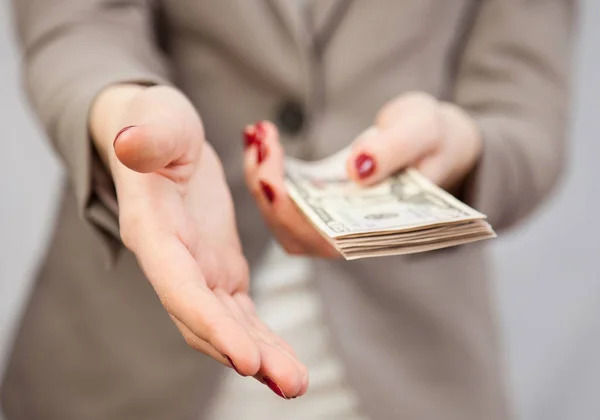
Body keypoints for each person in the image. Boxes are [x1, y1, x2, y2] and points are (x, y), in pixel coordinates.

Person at [1, 1, 576, 419]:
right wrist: (126, 109)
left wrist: (460, 148)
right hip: (122, 352)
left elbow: (524, 111)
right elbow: (77, 22)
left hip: (409, 372)